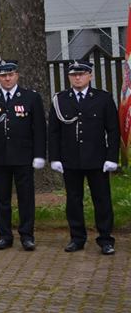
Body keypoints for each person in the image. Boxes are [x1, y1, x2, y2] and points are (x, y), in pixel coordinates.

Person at [48, 59, 118, 255]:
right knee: (73, 200)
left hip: (97, 159)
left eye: (81, 74)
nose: (77, 78)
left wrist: (112, 157)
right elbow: (53, 131)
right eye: (74, 74)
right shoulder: (61, 99)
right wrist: (55, 157)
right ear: (69, 77)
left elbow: (113, 130)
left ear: (90, 76)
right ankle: (77, 238)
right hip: (70, 159)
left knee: (102, 200)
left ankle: (106, 239)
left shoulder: (103, 98)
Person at [0, 59, 46, 251]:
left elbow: (39, 129)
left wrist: (39, 154)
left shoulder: (31, 97)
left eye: (10, 75)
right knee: (2, 199)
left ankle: (27, 236)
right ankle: (4, 236)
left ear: (17, 75)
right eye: (3, 75)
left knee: (26, 198)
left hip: (24, 156)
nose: (7, 79)